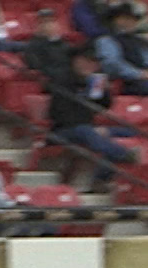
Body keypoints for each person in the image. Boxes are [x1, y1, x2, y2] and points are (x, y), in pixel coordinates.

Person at [49, 45, 135, 193]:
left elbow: (102, 106)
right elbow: (58, 114)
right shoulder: (62, 80)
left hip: (88, 128)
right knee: (86, 132)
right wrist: (93, 130)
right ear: (76, 61)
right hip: (62, 131)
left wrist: (105, 92)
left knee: (128, 132)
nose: (90, 66)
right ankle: (124, 154)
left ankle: (101, 177)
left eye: (93, 63)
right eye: (86, 61)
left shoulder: (94, 81)